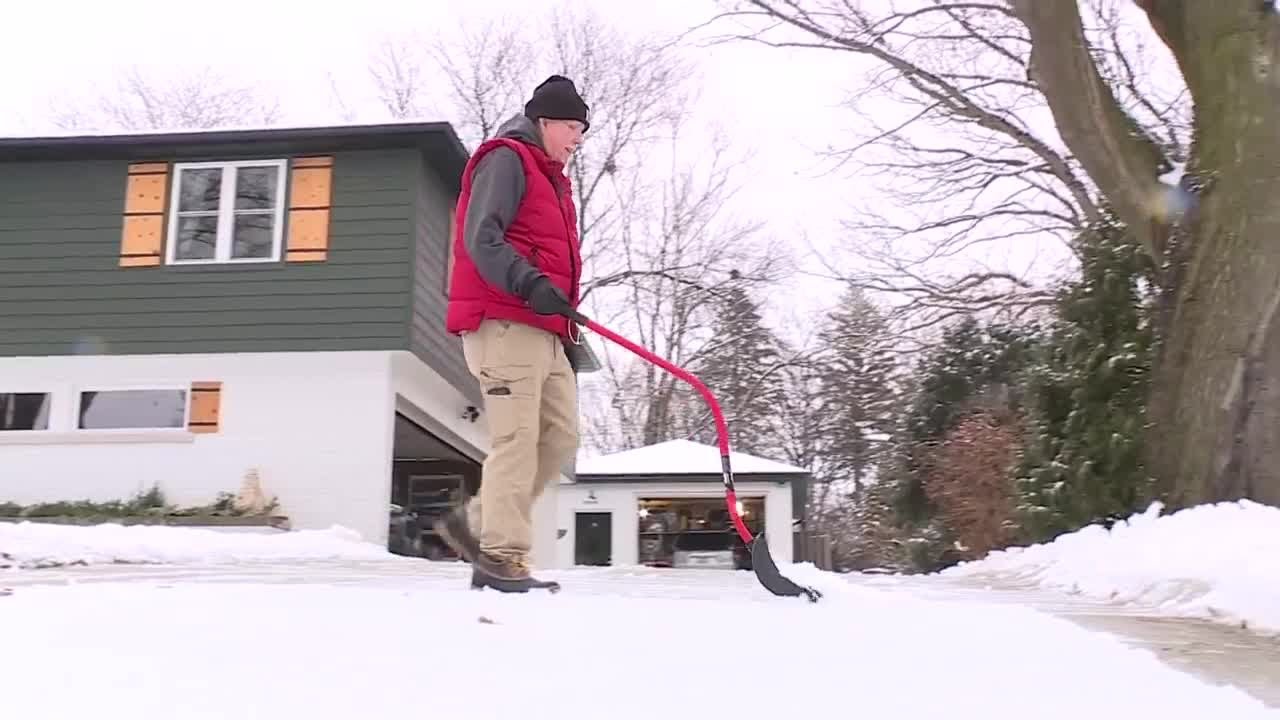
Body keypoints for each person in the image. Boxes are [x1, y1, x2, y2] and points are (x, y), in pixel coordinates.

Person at [434, 75, 589, 593]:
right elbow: (482, 237)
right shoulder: (507, 159)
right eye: (572, 127)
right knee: (516, 439)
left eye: (582, 130)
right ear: (544, 121)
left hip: (545, 328)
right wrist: (530, 282)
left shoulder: (552, 180)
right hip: (504, 322)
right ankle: (500, 556)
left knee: (560, 436)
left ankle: (478, 523)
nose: (578, 139)